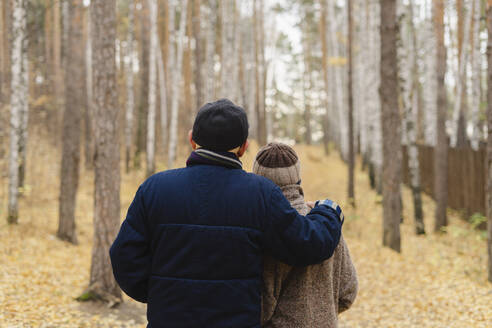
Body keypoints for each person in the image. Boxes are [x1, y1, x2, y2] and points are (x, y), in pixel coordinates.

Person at [109, 99, 344, 328]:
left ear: (192, 140)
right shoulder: (259, 193)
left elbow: (124, 256)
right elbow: (307, 244)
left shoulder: (154, 188)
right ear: (244, 147)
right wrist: (328, 211)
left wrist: (158, 293)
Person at [253, 143, 358, 328]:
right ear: (297, 177)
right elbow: (348, 291)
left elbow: (263, 306)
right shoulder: (327, 223)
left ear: (257, 178)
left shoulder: (264, 228)